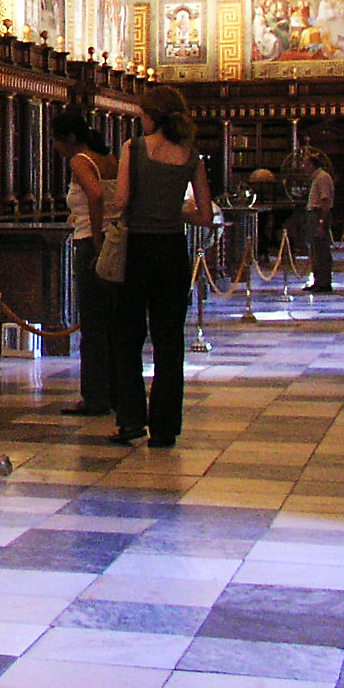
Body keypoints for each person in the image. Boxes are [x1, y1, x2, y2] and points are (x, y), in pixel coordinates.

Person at [106, 85, 214, 447]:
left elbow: (120, 201)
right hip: (172, 252)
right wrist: (173, 210)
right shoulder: (191, 156)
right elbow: (204, 215)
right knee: (169, 342)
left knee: (127, 337)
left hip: (137, 249)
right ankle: (165, 428)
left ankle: (131, 420)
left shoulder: (134, 149)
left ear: (150, 115)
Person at [52, 110, 118, 417]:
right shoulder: (109, 158)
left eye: (55, 138)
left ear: (70, 138)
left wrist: (95, 240)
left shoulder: (79, 160)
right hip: (116, 239)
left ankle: (94, 397)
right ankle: (116, 391)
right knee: (111, 323)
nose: (54, 144)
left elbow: (94, 195)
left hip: (92, 242)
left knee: (92, 324)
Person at [303, 152, 335, 293]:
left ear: (312, 165)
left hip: (319, 214)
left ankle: (324, 282)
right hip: (313, 214)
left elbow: (325, 201)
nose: (304, 168)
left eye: (306, 165)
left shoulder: (322, 178)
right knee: (315, 250)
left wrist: (321, 223)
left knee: (321, 250)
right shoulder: (316, 178)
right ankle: (318, 281)